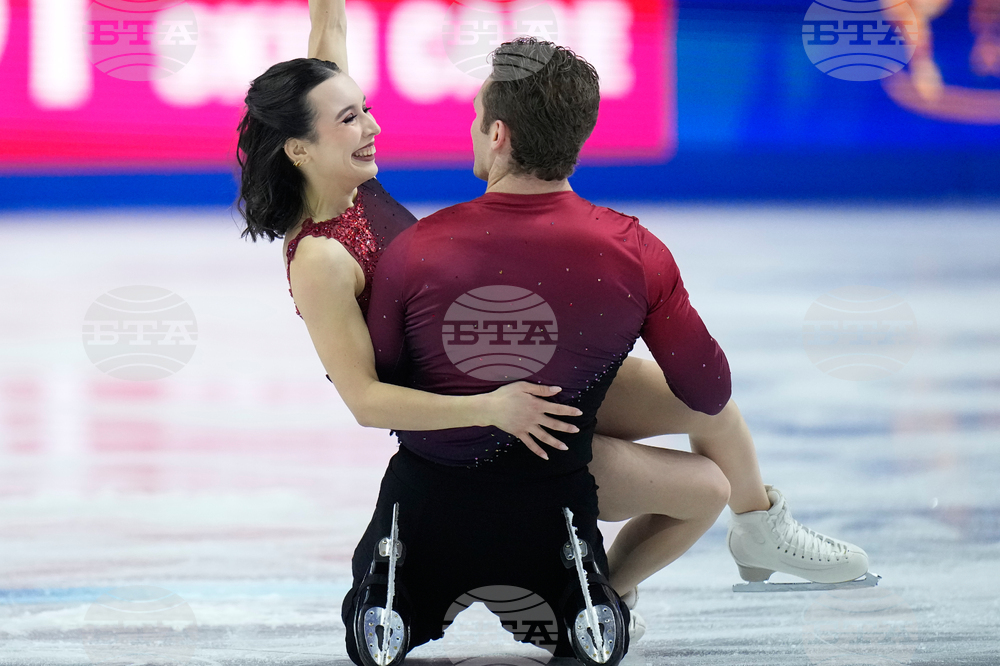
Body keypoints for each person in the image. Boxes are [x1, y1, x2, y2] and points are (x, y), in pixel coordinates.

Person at [235, 0, 871, 645]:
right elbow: (368, 402)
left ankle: (760, 527)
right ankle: (602, 594)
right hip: (473, 423)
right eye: (351, 118)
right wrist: (493, 407)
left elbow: (329, 38)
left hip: (500, 369)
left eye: (366, 107)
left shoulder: (352, 183)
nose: (371, 126)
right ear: (299, 148)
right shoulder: (319, 257)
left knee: (707, 405)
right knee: (703, 478)